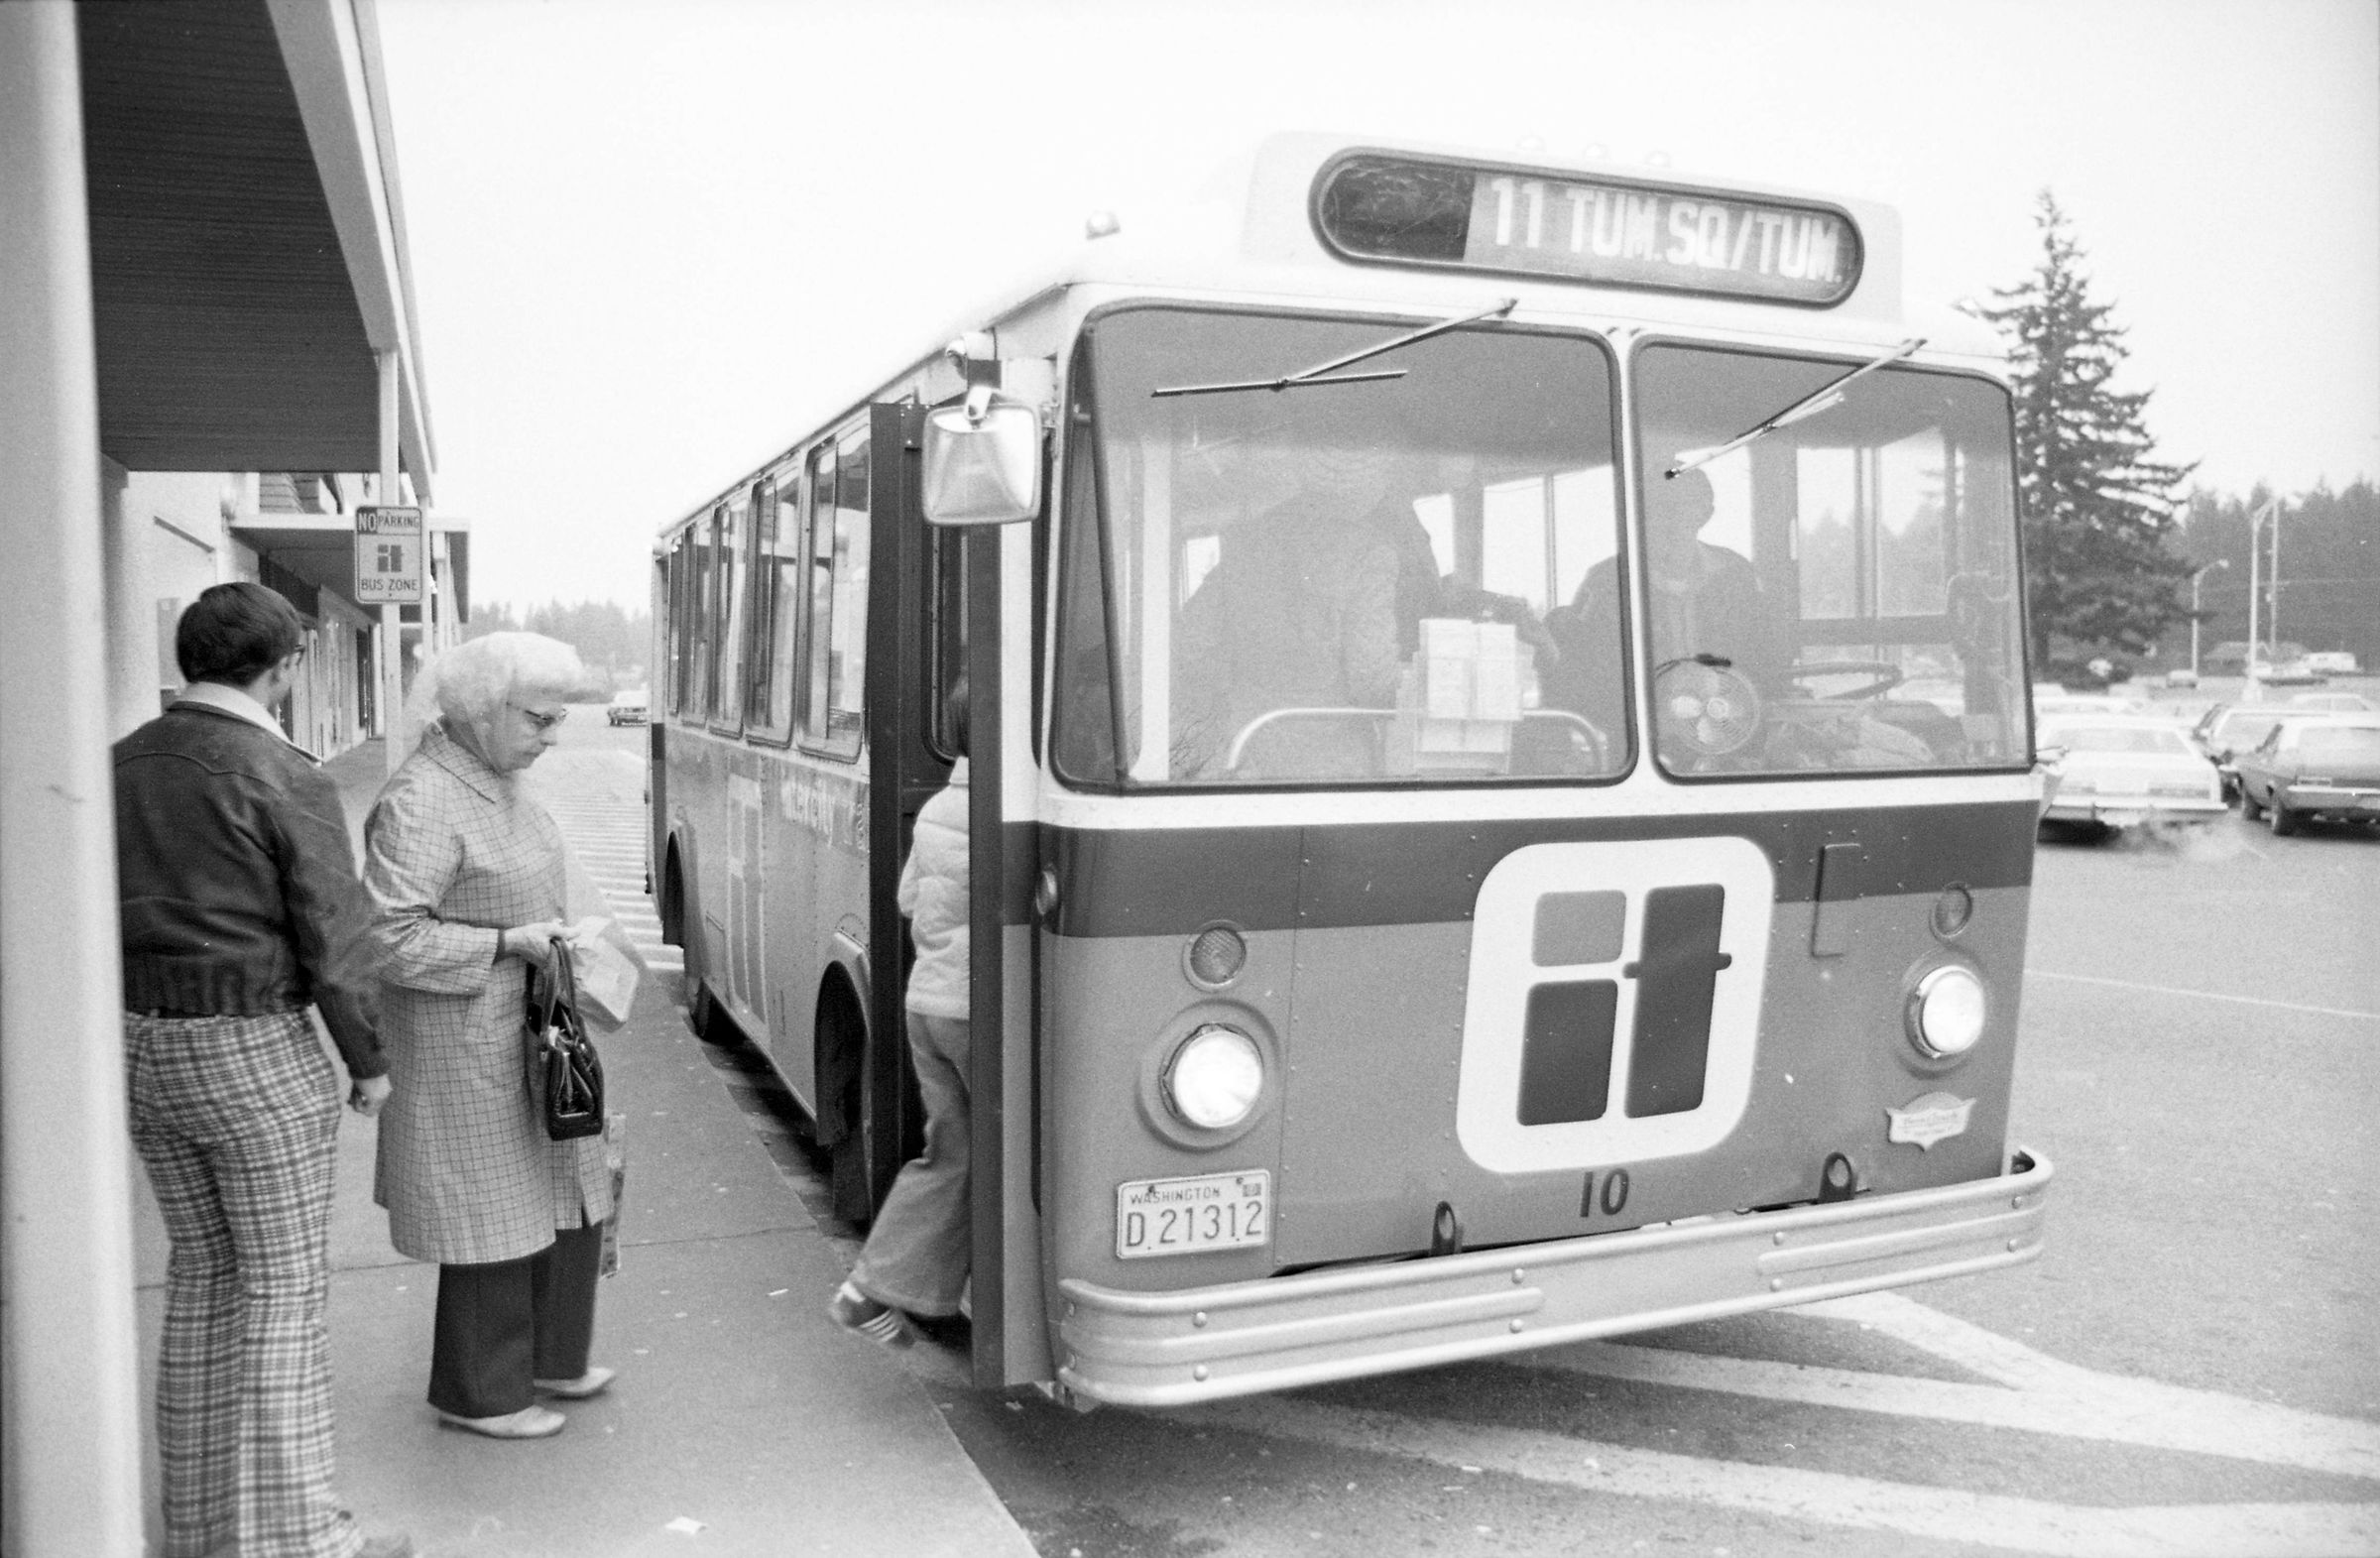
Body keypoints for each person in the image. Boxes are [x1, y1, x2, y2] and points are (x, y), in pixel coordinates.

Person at [114, 582, 411, 1558]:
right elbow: (336, 931)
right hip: (253, 1047)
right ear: (284, 669)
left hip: (143, 1044)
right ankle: (303, 1537)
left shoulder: (121, 762)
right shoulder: (284, 773)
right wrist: (368, 1059)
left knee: (201, 1279)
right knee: (284, 1291)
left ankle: (202, 1529)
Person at [362, 634, 615, 1440]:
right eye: (539, 718)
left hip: (529, 1017)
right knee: (490, 1213)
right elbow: (387, 938)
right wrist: (507, 943)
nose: (552, 735)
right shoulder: (423, 798)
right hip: (465, 1032)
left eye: (557, 718)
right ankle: (480, 1393)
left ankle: (552, 1356)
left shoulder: (492, 777)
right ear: (481, 708)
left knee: (567, 1185)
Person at [830, 680, 974, 1346]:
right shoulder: (1001, 812)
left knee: (951, 1152)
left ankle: (869, 1289)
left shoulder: (943, 806)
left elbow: (908, 899)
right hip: (974, 1011)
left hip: (928, 1006)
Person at [1171, 439, 1404, 779]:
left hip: (1245, 750)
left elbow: (1190, 642)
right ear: (1375, 488)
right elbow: (1371, 677)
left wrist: (1232, 693)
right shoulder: (1370, 554)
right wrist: (1420, 695)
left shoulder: (1249, 541)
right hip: (1332, 766)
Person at [1544, 465, 1779, 736]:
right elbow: (1580, 675)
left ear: (1705, 514)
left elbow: (1764, 659)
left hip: (1728, 733)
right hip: (1638, 740)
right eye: (1656, 507)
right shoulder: (1606, 581)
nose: (1667, 519)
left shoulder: (1736, 576)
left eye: (1679, 506)